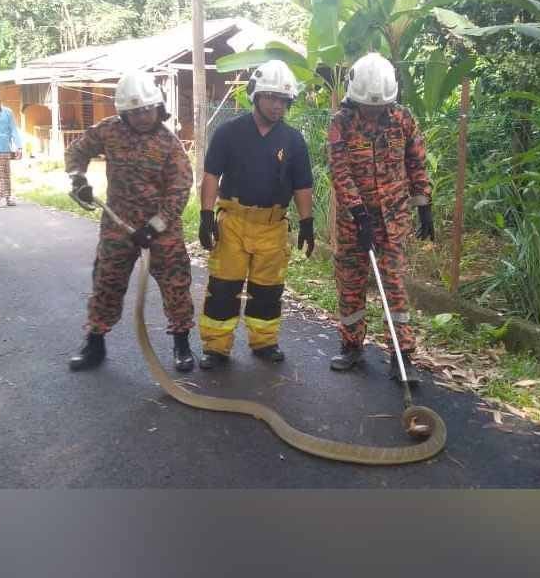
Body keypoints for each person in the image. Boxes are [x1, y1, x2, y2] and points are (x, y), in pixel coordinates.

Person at [65, 71, 197, 373]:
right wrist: (78, 179)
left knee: (176, 284)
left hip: (161, 227)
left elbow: (179, 189)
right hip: (118, 223)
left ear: (158, 107)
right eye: (134, 112)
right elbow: (77, 151)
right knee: (106, 281)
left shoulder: (169, 143)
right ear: (124, 112)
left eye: (147, 110)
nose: (141, 117)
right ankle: (95, 343)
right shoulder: (109, 131)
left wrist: (155, 227)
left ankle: (182, 343)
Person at [197, 59, 315, 369]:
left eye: (284, 100)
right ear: (256, 96)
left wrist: (307, 223)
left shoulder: (293, 140)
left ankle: (264, 343)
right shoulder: (228, 133)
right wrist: (206, 216)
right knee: (223, 288)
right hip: (233, 223)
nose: (278, 106)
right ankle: (216, 347)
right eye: (272, 98)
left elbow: (303, 185)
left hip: (272, 226)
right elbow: (211, 176)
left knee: (268, 291)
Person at [325, 52, 435, 384]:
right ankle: (351, 347)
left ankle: (402, 356)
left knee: (394, 285)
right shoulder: (340, 123)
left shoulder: (403, 119)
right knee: (351, 283)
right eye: (368, 106)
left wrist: (424, 205)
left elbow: (416, 162)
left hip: (393, 218)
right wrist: (359, 215)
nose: (374, 112)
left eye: (379, 106)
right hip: (353, 220)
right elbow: (340, 172)